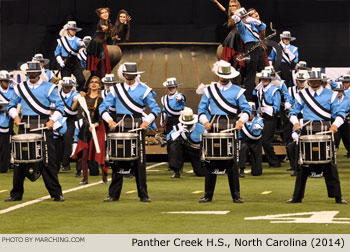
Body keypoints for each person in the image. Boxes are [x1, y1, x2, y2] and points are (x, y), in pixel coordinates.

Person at [99, 62, 160, 202]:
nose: (130, 76)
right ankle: (113, 194)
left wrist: (147, 122)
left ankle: (143, 194)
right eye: (128, 74)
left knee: (140, 161)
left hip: (138, 127)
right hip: (120, 126)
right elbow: (103, 107)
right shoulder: (116, 89)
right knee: (117, 160)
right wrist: (109, 121)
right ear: (124, 75)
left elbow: (156, 109)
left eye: (133, 74)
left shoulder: (144, 90)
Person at [5, 61, 65, 202]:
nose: (31, 75)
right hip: (25, 126)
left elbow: (60, 107)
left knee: (48, 160)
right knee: (20, 161)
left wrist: (52, 121)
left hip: (43, 126)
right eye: (29, 73)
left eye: (34, 72)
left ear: (39, 73)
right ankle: (16, 194)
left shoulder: (50, 87)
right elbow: (11, 105)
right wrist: (15, 116)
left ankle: (56, 193)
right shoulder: (20, 87)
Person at [287, 69, 347, 204]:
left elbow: (340, 113)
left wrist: (335, 125)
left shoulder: (331, 95)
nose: (313, 83)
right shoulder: (302, 94)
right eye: (311, 81)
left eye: (315, 81)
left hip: (325, 132)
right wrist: (296, 123)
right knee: (303, 165)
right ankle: (297, 197)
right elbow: (293, 112)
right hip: (307, 131)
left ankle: (337, 196)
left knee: (330, 164)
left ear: (320, 81)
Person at [198, 60, 251, 203]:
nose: (223, 78)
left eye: (225, 76)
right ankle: (208, 195)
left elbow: (247, 109)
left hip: (231, 127)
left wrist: (241, 121)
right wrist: (205, 122)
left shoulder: (238, 91)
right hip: (213, 128)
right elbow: (201, 110)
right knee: (210, 161)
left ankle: (236, 195)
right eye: (221, 75)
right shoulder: (209, 90)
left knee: (232, 162)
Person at [71, 76, 107, 184]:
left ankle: (104, 177)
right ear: (89, 85)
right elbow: (73, 108)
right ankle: (85, 178)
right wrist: (78, 99)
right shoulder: (84, 97)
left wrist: (95, 125)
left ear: (99, 85)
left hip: (97, 128)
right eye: (92, 82)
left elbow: (101, 115)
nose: (94, 84)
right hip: (85, 128)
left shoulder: (101, 100)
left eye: (96, 82)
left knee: (99, 153)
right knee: (84, 154)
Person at [232, 7, 267, 101]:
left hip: (258, 47)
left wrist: (254, 20)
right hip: (250, 47)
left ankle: (265, 95)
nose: (245, 18)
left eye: (246, 16)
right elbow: (239, 26)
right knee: (251, 74)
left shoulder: (252, 24)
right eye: (243, 17)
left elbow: (263, 26)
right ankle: (248, 99)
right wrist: (238, 20)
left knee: (265, 72)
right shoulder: (243, 27)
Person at [166, 107, 206, 178]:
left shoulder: (201, 128)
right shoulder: (178, 127)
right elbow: (168, 138)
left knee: (200, 173)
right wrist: (179, 132)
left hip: (196, 152)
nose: (187, 125)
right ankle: (176, 171)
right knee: (174, 145)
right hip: (182, 151)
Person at [254, 70, 281, 167]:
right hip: (261, 116)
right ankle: (259, 163)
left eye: (265, 79)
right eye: (262, 79)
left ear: (269, 79)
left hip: (271, 117)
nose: (263, 80)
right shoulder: (260, 89)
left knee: (266, 140)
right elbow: (258, 103)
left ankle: (275, 162)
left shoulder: (275, 90)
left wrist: (266, 109)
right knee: (258, 139)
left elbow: (276, 107)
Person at [55, 21, 86, 91]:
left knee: (82, 80)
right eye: (72, 29)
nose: (73, 31)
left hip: (74, 62)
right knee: (66, 83)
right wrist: (60, 61)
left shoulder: (78, 40)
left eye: (74, 29)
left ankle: (78, 92)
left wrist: (82, 47)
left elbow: (82, 49)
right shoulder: (62, 40)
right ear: (68, 30)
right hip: (64, 63)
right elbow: (57, 52)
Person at [57, 77, 79, 171]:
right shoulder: (57, 94)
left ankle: (66, 164)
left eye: (69, 86)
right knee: (57, 141)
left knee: (67, 140)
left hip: (71, 120)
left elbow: (73, 108)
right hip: (58, 118)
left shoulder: (75, 94)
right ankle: (57, 163)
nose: (66, 88)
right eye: (65, 86)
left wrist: (77, 100)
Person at [86, 7, 113, 79]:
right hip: (96, 45)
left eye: (106, 12)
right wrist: (106, 28)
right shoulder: (101, 22)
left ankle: (102, 79)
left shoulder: (108, 22)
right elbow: (103, 27)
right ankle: (99, 79)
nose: (105, 14)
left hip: (102, 44)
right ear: (100, 15)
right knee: (99, 63)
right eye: (102, 13)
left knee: (103, 62)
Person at [239, 102, 264, 177]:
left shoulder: (259, 119)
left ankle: (256, 169)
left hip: (256, 142)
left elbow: (259, 128)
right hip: (245, 141)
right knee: (242, 149)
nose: (250, 115)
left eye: (252, 113)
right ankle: (241, 169)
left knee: (257, 173)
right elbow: (239, 134)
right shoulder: (241, 121)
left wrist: (258, 126)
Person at [0, 71, 15, 173]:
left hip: (8, 119)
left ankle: (4, 166)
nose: (7, 83)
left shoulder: (13, 90)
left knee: (5, 144)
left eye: (8, 81)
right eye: (5, 81)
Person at [337, 74, 350, 157]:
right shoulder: (341, 91)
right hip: (341, 115)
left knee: (348, 135)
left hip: (348, 114)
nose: (345, 84)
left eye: (347, 82)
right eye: (344, 82)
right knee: (343, 135)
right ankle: (349, 151)